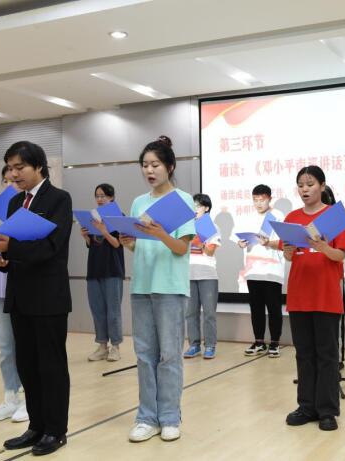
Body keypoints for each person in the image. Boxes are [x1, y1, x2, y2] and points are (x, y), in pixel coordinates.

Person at [0, 141, 72, 456]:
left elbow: (52, 248)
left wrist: (10, 248)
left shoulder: (59, 199)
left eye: (19, 167)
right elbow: (15, 248)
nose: (13, 174)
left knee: (51, 366)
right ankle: (36, 426)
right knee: (28, 366)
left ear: (39, 166)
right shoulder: (15, 202)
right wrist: (2, 260)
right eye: (10, 168)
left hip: (49, 297)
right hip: (20, 295)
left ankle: (56, 430)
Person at [119, 136, 195, 443]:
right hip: (142, 286)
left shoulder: (183, 200)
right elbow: (140, 247)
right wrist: (129, 242)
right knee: (144, 354)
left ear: (170, 166)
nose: (149, 170)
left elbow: (181, 248)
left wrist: (161, 233)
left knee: (169, 355)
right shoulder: (139, 202)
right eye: (145, 165)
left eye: (155, 165)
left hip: (170, 287)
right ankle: (146, 417)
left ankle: (170, 417)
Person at [282, 166, 345, 431]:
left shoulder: (333, 216)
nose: (305, 189)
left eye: (310, 184)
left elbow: (340, 255)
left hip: (326, 295)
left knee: (327, 355)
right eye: (301, 184)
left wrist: (323, 246)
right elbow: (289, 256)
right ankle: (306, 406)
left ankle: (327, 410)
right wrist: (288, 251)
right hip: (299, 294)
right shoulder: (292, 217)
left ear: (322, 186)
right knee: (304, 354)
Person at [0, 165, 28, 423]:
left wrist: (2, 236)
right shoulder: (2, 210)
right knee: (5, 348)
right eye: (5, 179)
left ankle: (29, 399)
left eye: (13, 178)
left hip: (22, 284)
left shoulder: (29, 208)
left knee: (25, 346)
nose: (9, 183)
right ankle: (10, 397)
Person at [236, 184, 285, 358]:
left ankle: (275, 343)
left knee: (273, 308)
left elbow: (283, 242)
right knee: (256, 308)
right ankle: (259, 342)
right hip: (253, 269)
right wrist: (241, 243)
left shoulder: (278, 216)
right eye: (255, 200)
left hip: (272, 270)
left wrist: (268, 243)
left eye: (262, 200)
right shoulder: (248, 217)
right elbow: (242, 238)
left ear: (270, 199)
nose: (258, 203)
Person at [81, 183, 125, 362]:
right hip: (94, 269)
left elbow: (117, 244)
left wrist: (104, 231)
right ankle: (102, 346)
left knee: (113, 311)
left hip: (112, 269)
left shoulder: (119, 217)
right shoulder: (93, 217)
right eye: (97, 196)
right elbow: (93, 244)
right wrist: (86, 237)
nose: (99, 199)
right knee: (97, 310)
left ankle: (116, 347)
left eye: (103, 196)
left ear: (111, 197)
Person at [183, 193, 221, 359]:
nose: (194, 209)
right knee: (191, 313)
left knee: (209, 313)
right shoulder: (187, 226)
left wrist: (199, 242)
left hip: (207, 274)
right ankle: (194, 345)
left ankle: (210, 345)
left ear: (206, 208)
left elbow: (210, 252)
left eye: (197, 206)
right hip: (188, 273)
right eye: (192, 206)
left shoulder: (212, 226)